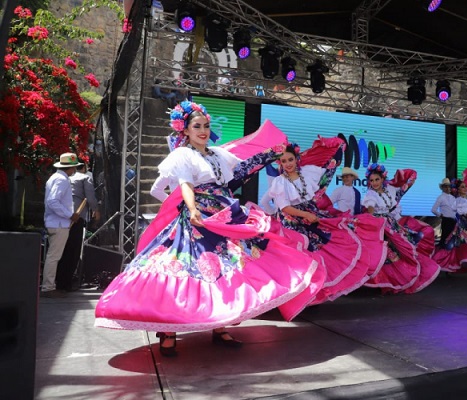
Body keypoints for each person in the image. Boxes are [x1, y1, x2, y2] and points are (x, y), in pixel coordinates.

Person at [95, 101, 319, 357]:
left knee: (227, 269)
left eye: (206, 125)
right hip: (198, 220)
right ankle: (169, 331)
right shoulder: (182, 155)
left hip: (224, 217)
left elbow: (242, 170)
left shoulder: (217, 154)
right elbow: (186, 185)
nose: (202, 130)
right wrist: (189, 208)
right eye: (196, 126)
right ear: (185, 131)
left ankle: (220, 326)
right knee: (184, 268)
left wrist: (271, 154)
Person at [267, 141, 386, 307]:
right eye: (284, 161)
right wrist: (305, 214)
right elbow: (285, 207)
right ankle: (294, 296)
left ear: (297, 159)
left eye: (290, 159)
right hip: (291, 221)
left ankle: (311, 293)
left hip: (310, 214)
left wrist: (338, 149)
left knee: (333, 243)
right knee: (299, 257)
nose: (287, 164)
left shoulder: (307, 174)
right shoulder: (279, 181)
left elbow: (328, 172)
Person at [363, 164, 440, 293]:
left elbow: (407, 183)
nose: (374, 183)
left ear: (382, 179)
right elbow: (370, 208)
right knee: (385, 252)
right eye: (371, 180)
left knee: (404, 248)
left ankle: (398, 279)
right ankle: (383, 282)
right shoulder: (370, 194)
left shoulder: (390, 190)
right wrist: (371, 218)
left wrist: (410, 180)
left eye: (377, 179)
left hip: (392, 224)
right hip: (380, 226)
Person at [41, 153, 82, 298]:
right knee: (54, 257)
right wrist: (70, 215)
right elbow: (53, 201)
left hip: (55, 222)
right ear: (71, 168)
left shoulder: (54, 178)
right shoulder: (62, 180)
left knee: (53, 256)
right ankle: (48, 287)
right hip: (58, 223)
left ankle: (48, 286)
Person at [56, 162, 100, 292]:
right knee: (73, 250)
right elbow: (90, 197)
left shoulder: (60, 179)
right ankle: (66, 283)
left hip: (60, 216)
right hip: (76, 217)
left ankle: (57, 281)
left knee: (61, 250)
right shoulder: (85, 178)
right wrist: (96, 210)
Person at [431, 178, 457, 246]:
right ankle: (441, 254)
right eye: (445, 186)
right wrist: (440, 215)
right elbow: (433, 209)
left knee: (452, 239)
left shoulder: (453, 197)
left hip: (454, 220)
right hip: (446, 220)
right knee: (445, 238)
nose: (448, 188)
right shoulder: (440, 197)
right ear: (442, 188)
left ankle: (450, 254)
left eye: (449, 186)